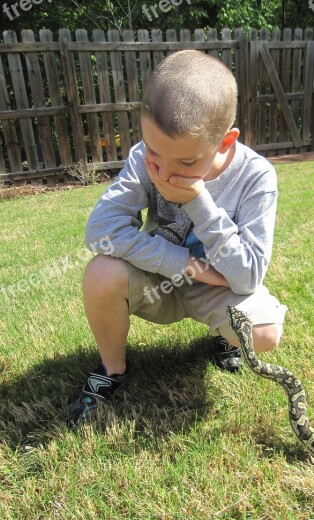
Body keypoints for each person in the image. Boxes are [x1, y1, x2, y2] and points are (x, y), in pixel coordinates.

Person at [67, 49, 287, 427]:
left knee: (263, 332)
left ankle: (225, 339)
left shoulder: (257, 177)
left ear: (225, 141)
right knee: (101, 272)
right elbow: (100, 232)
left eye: (186, 162)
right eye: (154, 151)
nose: (165, 173)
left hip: (218, 287)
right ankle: (111, 370)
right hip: (161, 282)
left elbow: (248, 275)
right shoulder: (142, 158)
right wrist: (185, 265)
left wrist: (199, 201)